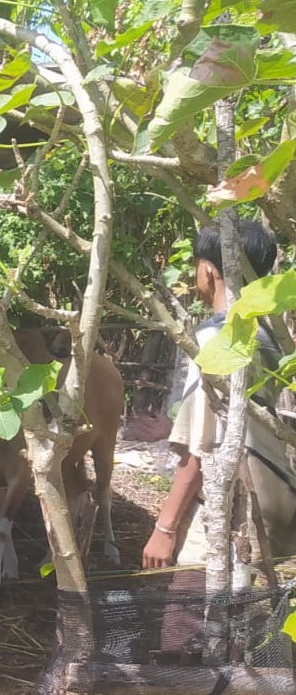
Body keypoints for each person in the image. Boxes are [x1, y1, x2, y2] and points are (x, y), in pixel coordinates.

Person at [142, 220, 296, 579]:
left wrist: (165, 528)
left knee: (188, 624)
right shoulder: (270, 335)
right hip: (273, 496)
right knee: (242, 617)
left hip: (229, 509)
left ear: (209, 270)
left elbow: (204, 446)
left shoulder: (216, 340)